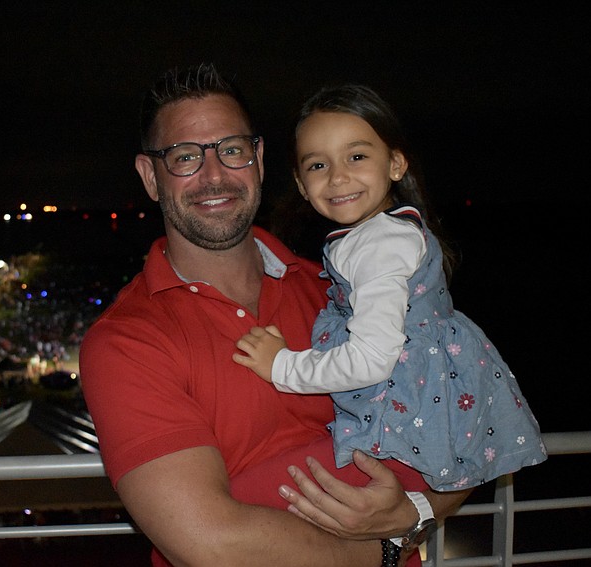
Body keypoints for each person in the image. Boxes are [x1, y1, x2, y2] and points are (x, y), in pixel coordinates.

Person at [80, 64, 470, 567]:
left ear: (259, 160)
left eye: (233, 150)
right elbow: (210, 544)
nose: (214, 174)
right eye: (184, 158)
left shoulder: (343, 293)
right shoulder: (127, 341)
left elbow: (465, 432)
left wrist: (413, 511)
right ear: (150, 177)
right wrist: (385, 548)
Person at [233, 84, 546, 494]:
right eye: (317, 166)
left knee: (248, 492)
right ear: (300, 181)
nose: (339, 176)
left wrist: (281, 366)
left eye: (357, 156)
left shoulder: (378, 246)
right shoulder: (392, 231)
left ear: (396, 163)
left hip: (400, 427)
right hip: (421, 417)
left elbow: (371, 360)